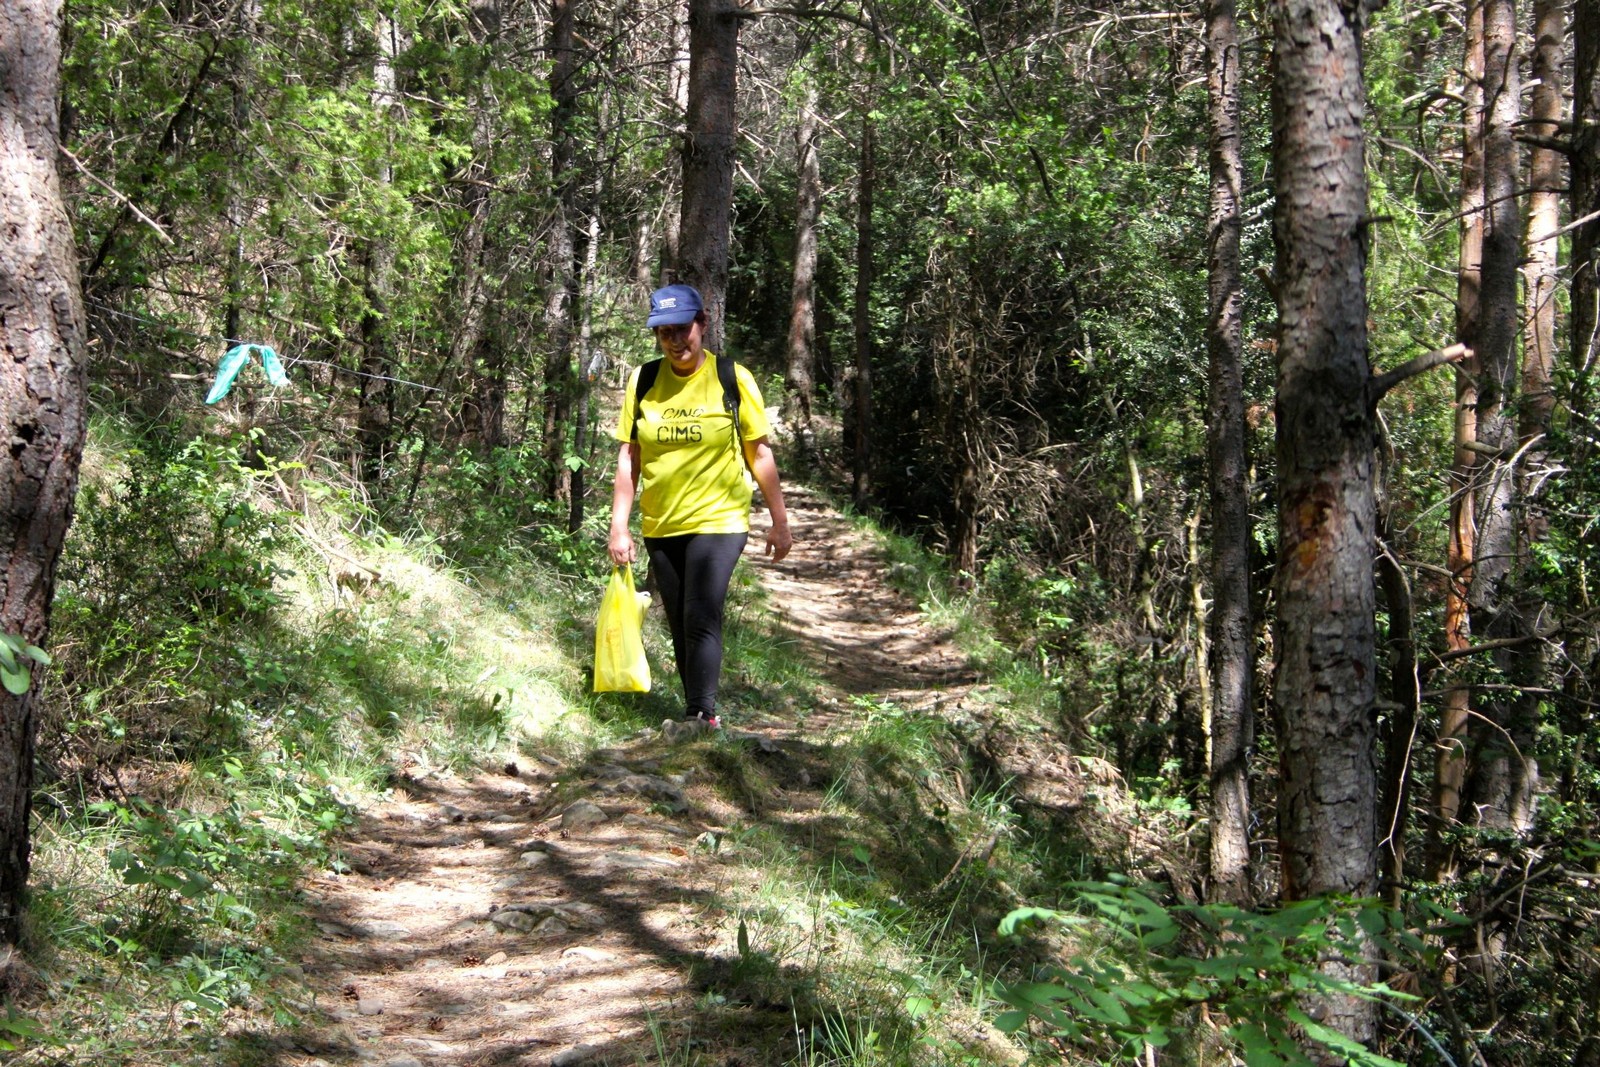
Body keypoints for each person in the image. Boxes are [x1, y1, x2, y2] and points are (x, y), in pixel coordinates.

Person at [608, 284, 793, 730]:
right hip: (662, 522)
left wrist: (780, 521)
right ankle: (696, 708)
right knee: (678, 619)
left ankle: (701, 715)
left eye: (682, 329)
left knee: (700, 612)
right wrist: (619, 525)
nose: (675, 341)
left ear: (702, 324)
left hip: (719, 518)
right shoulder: (644, 380)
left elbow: (759, 453)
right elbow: (630, 456)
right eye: (664, 333)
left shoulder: (732, 377)